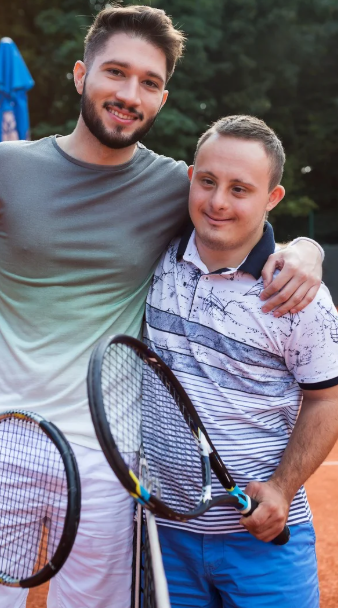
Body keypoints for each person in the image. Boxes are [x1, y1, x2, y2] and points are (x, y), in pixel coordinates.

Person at [0, 6, 323, 608]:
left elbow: (243, 213)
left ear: (162, 98)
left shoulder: (177, 187)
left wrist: (308, 248)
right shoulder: (3, 168)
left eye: (150, 82)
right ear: (82, 75)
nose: (130, 93)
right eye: (117, 72)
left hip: (112, 460)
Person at [145, 114, 338, 608]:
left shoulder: (301, 297)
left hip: (264, 541)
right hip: (163, 536)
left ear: (272, 198)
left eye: (240, 189)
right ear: (191, 178)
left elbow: (327, 400)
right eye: (207, 182)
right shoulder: (154, 253)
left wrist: (280, 489)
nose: (217, 202)